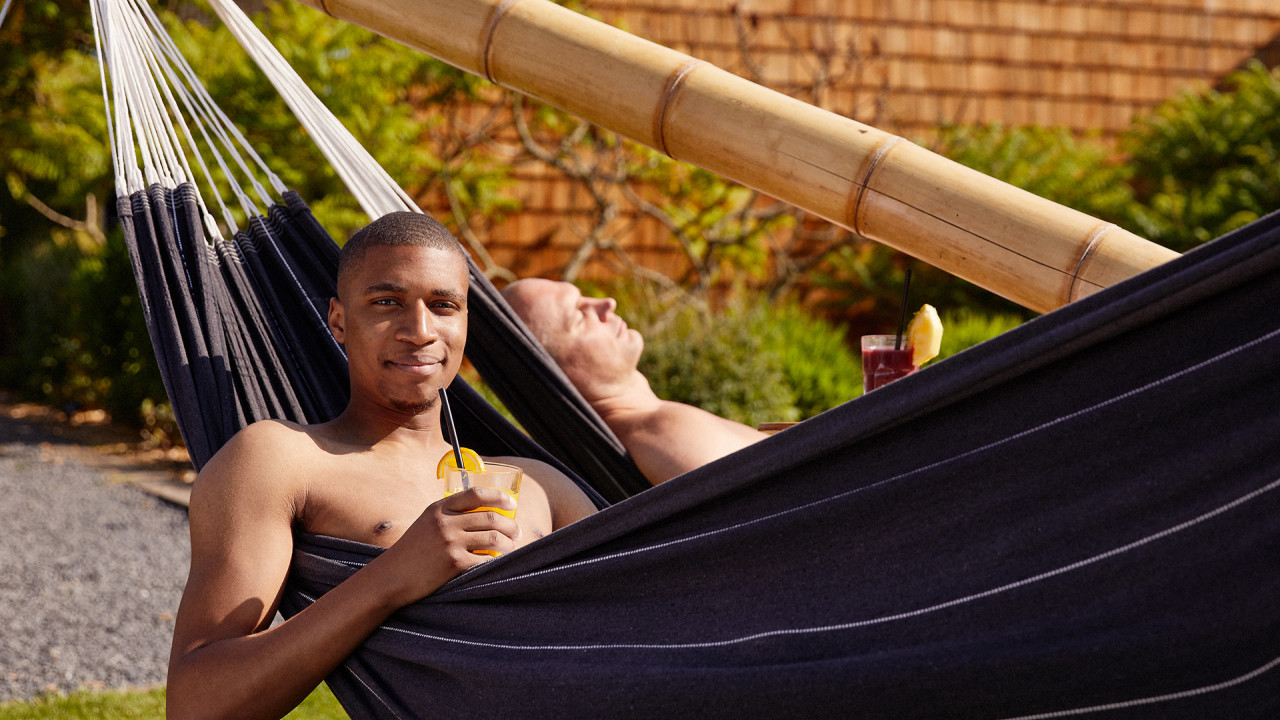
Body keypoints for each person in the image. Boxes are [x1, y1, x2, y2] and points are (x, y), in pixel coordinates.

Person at [166, 213, 599, 720]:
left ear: (464, 323)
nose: (419, 331)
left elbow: (642, 626)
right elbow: (196, 705)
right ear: (339, 321)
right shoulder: (282, 461)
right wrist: (394, 576)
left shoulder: (544, 487)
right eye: (386, 303)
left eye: (443, 306)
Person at [501, 278, 770, 485]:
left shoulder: (654, 423)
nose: (607, 302)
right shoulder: (661, 432)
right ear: (553, 373)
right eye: (579, 314)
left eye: (585, 296)